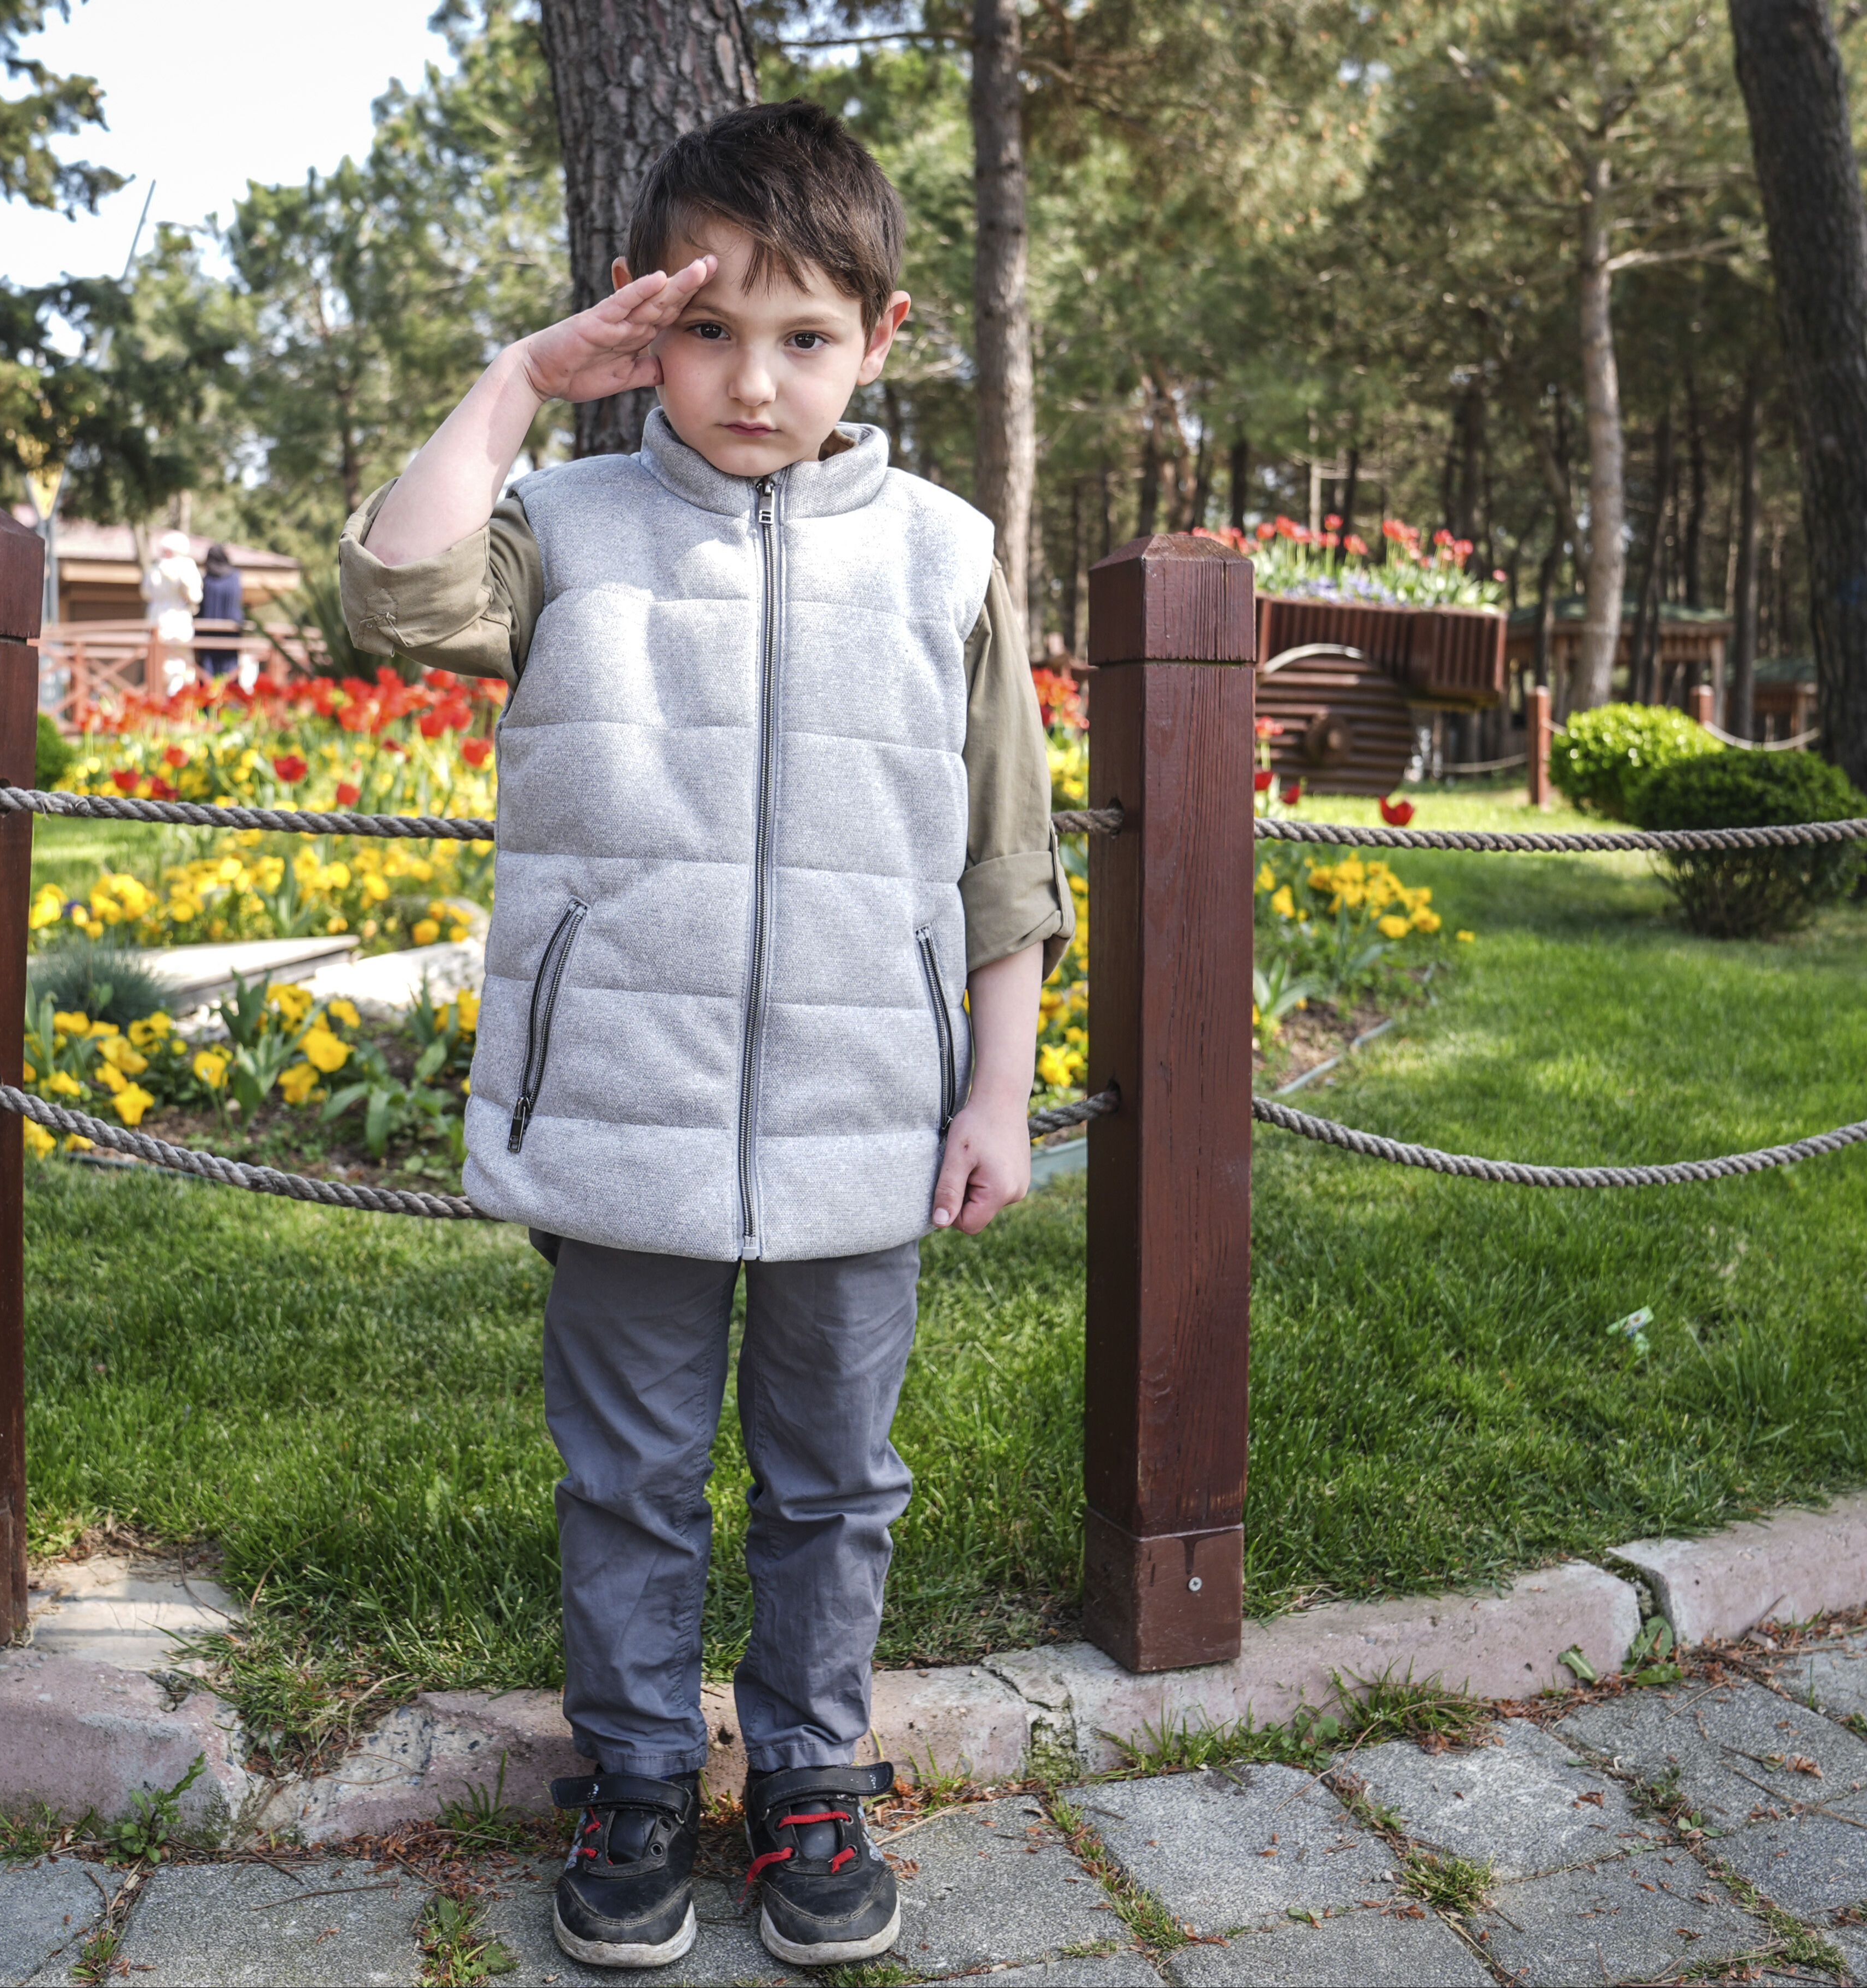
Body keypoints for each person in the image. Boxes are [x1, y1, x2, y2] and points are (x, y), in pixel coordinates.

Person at [341, 100, 1065, 1973]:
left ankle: (811, 1774)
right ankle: (640, 1776)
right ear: (644, 322)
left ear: (879, 339)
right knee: (629, 1478)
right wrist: (521, 381)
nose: (754, 381)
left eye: (804, 335)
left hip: (861, 1116)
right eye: (710, 330)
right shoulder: (564, 530)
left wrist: (994, 1090)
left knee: (834, 1480)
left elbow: (1004, 856)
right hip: (622, 1114)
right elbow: (392, 588)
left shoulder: (944, 553)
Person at [140, 529, 202, 695]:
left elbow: (194, 596)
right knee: (164, 662)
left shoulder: (162, 567)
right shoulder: (161, 567)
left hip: (168, 619)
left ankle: (174, 696)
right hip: (169, 619)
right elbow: (196, 596)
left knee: (177, 664)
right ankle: (164, 698)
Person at [194, 543, 244, 681]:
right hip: (231, 633)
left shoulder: (207, 580)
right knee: (229, 670)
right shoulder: (235, 577)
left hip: (208, 634)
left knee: (208, 671)